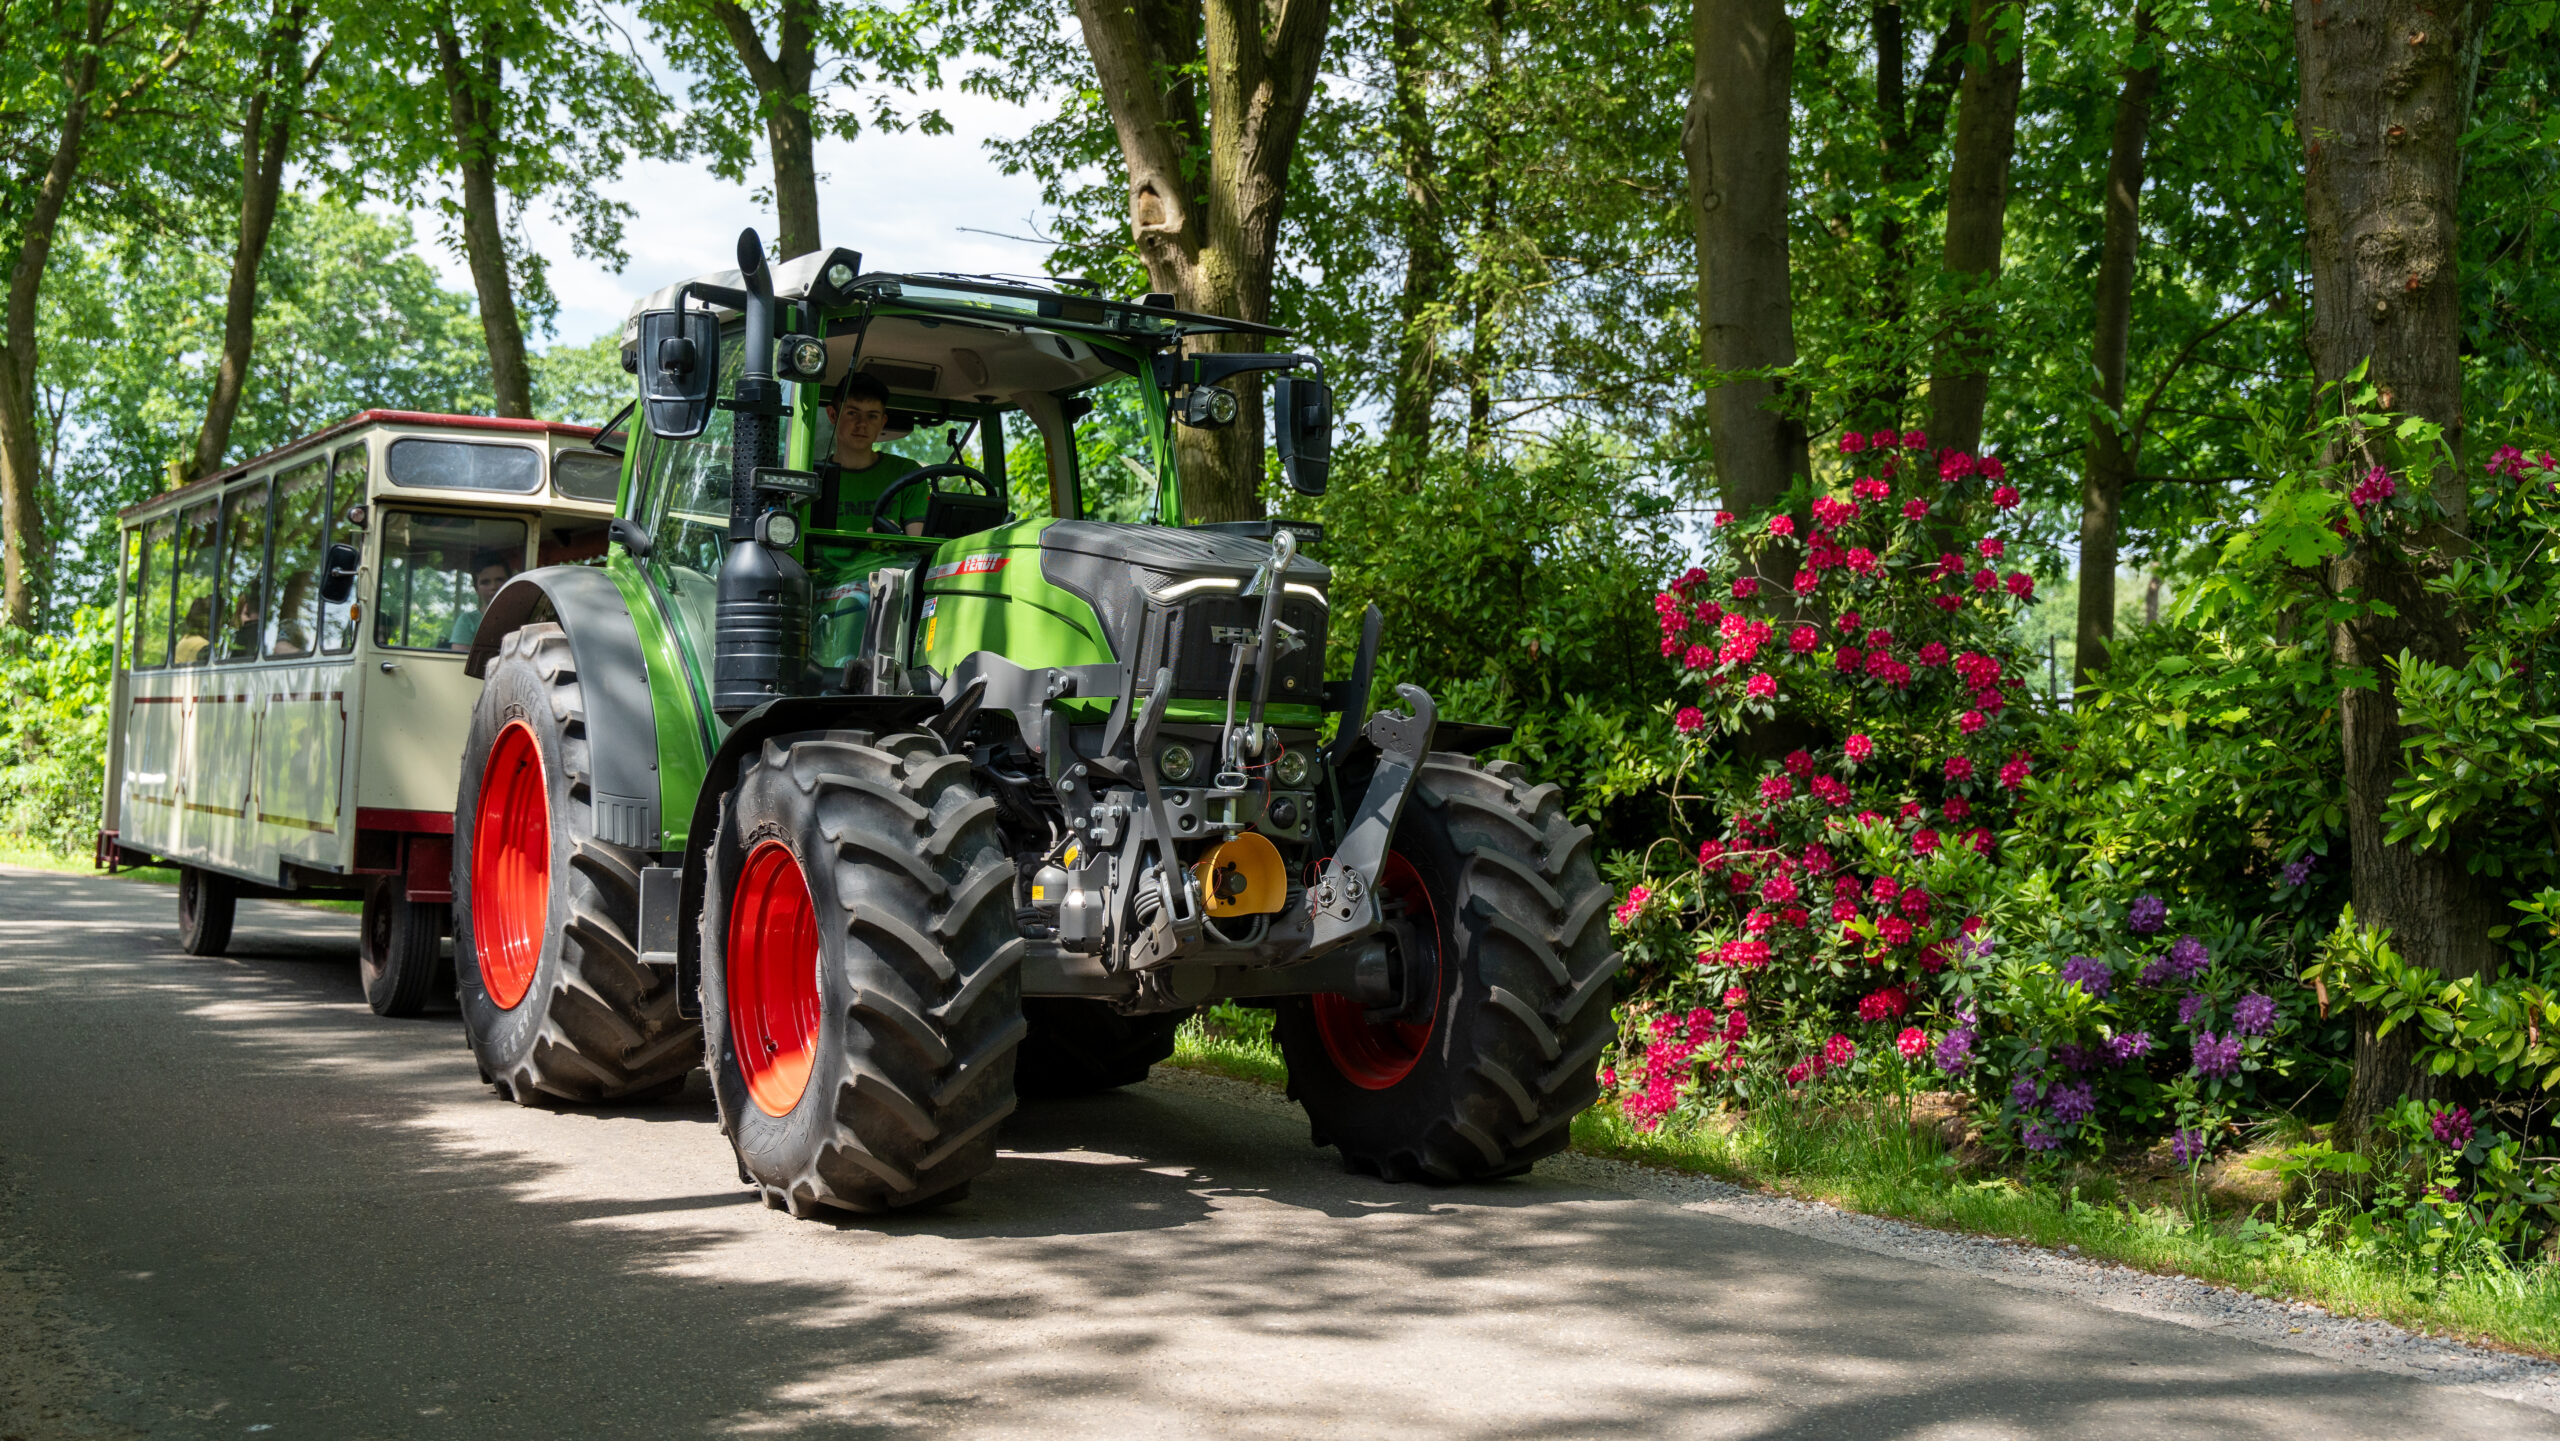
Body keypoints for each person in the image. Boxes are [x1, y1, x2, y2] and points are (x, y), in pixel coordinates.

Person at [445, 553, 515, 650]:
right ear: (476, 588)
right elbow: (461, 662)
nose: (493, 587)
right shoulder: (467, 622)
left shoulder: (525, 618)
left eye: (499, 580)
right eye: (485, 582)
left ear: (511, 582)